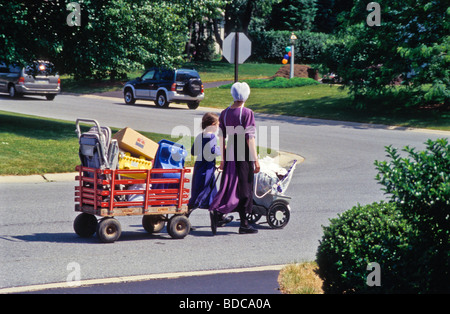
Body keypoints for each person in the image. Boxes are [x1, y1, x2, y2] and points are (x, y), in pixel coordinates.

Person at [209, 82, 260, 235]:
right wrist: (255, 159)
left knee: (229, 184)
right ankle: (244, 224)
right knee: (245, 187)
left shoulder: (224, 113)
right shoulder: (247, 113)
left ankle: (218, 213)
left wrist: (223, 159)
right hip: (242, 152)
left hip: (230, 149)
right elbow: (249, 138)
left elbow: (221, 137)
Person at [187, 113, 233, 226]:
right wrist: (222, 149)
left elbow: (193, 151)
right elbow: (212, 150)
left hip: (199, 167)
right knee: (204, 193)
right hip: (207, 169)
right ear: (213, 125)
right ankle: (216, 217)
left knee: (207, 193)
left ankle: (218, 217)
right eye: (217, 124)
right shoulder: (211, 137)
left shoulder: (200, 136)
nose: (218, 126)